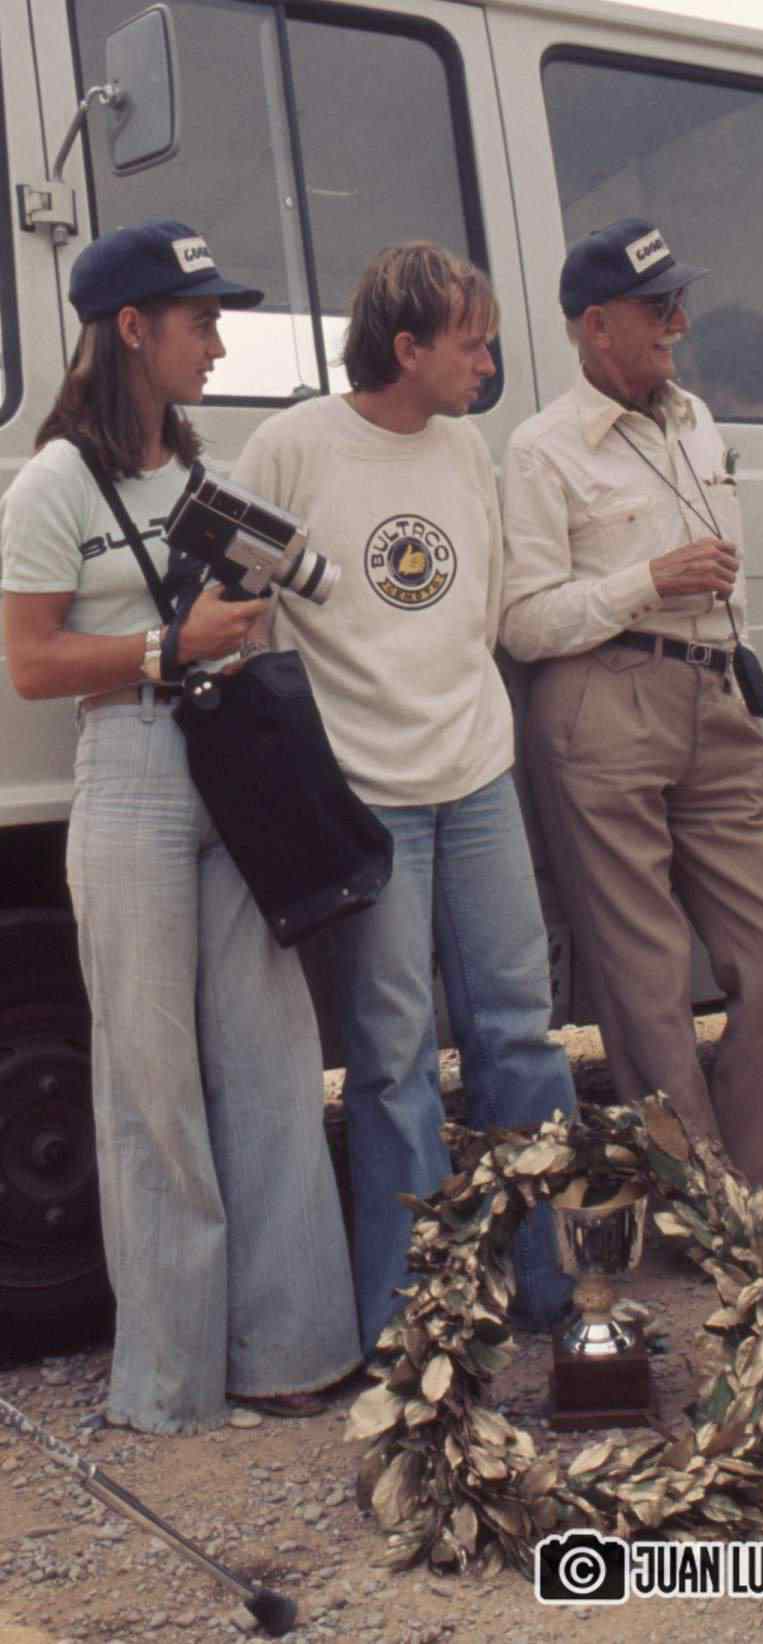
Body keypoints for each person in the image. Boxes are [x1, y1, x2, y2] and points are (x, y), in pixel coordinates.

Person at [0, 220, 360, 1432]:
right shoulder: (53, 483)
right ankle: (170, 1385)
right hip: (133, 771)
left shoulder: (205, 480)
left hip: (234, 768)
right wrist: (169, 644)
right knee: (150, 1081)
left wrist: (252, 601)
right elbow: (31, 663)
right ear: (131, 330)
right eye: (200, 321)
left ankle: (294, 1353)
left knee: (270, 1060)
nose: (216, 343)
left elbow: (310, 586)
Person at [500, 218, 763, 1296]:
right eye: (659, 309)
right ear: (594, 326)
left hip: (715, 694)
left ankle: (761, 1205)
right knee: (646, 983)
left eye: (677, 304)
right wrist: (647, 581)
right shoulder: (541, 448)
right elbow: (522, 621)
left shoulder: (695, 418)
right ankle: (718, 1228)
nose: (680, 324)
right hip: (601, 700)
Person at [231, 242, 575, 1353]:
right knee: (392, 1060)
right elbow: (239, 608)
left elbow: (483, 607)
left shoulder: (466, 447)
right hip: (367, 797)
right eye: (472, 343)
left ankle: (555, 1292)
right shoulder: (290, 448)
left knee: (522, 1035)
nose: (489, 363)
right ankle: (416, 1320)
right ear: (407, 346)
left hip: (476, 777)